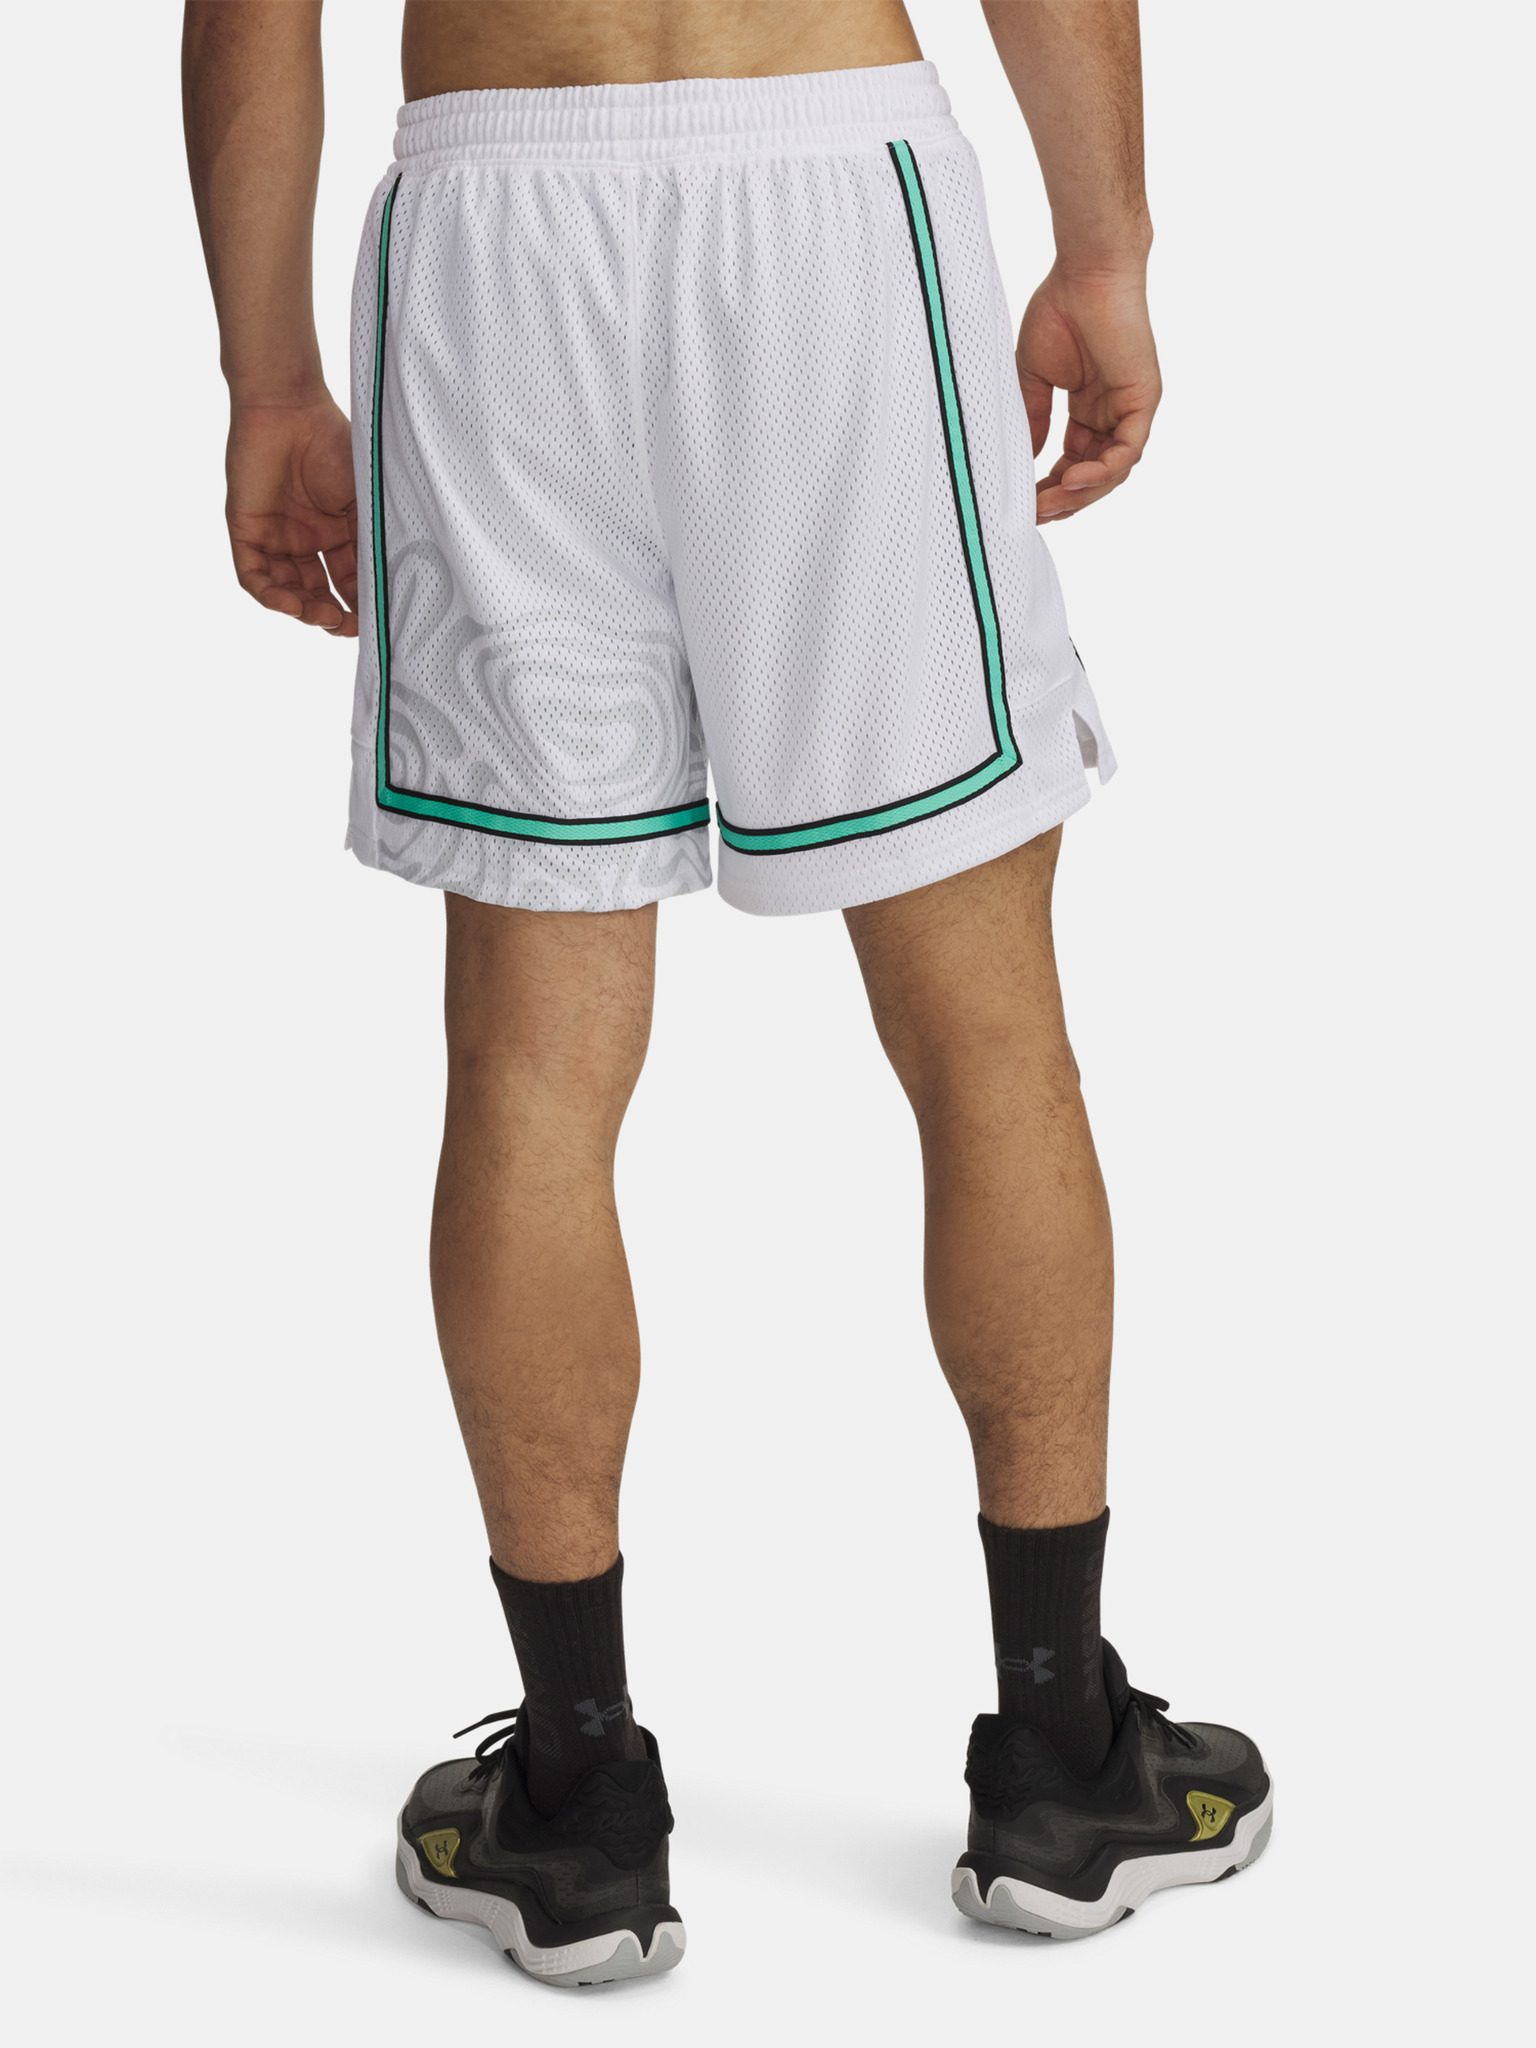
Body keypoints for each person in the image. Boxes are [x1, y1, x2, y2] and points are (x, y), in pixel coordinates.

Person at [183, 0, 1269, 1985]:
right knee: (987, 1037)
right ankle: (1063, 1756)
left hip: (500, 221)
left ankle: (577, 1803)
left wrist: (266, 375)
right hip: (822, 183)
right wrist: (1106, 245)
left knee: (531, 1066)